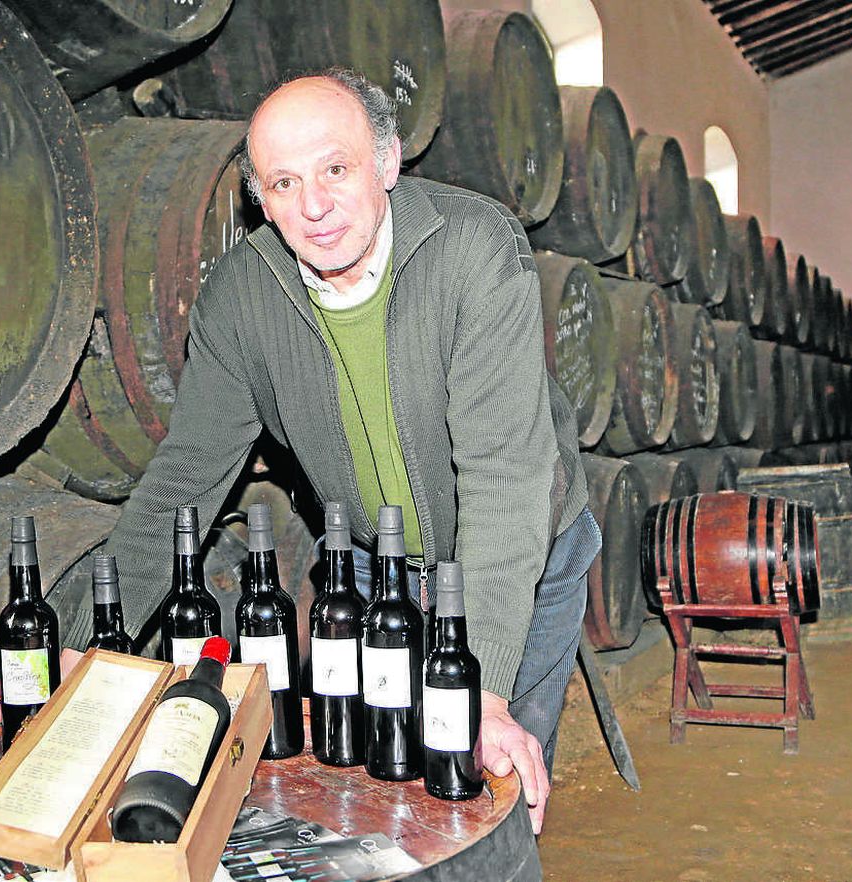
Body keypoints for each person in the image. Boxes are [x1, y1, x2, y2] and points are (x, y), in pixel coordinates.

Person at [62, 69, 600, 832]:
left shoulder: (476, 249)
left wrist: (479, 691)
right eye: (283, 183)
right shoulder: (240, 299)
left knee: (482, 799)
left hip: (524, 561)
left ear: (387, 164)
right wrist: (91, 640)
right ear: (260, 198)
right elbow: (183, 481)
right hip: (386, 581)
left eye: (335, 169)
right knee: (388, 802)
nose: (313, 207)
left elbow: (505, 476)